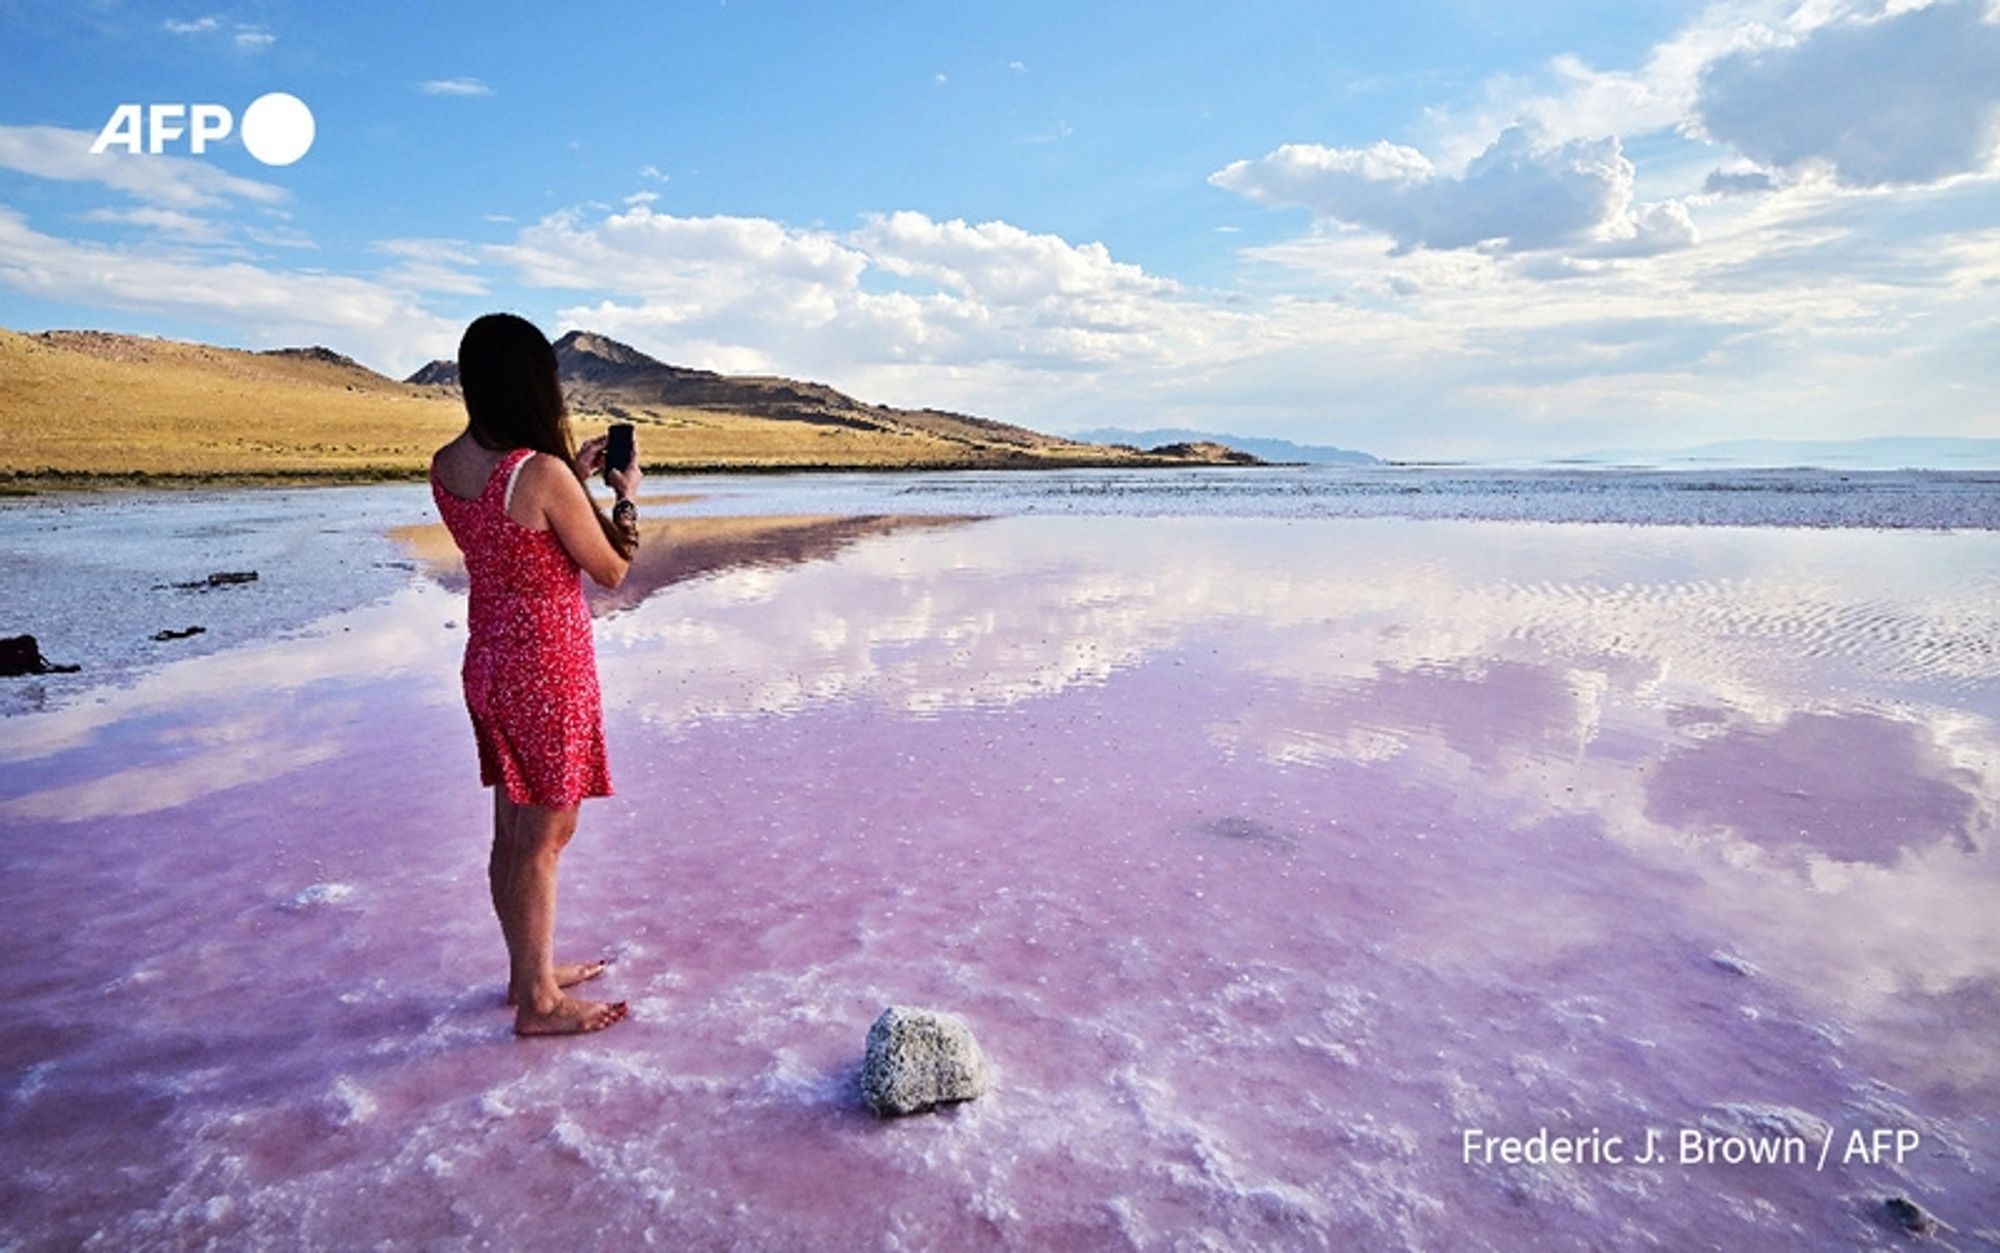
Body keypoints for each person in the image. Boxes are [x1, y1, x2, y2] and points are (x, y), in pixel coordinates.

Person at [430, 313, 642, 1036]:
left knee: (511, 828)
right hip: (546, 665)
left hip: (489, 656)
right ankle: (541, 1005)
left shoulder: (448, 463)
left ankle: (529, 974)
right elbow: (612, 568)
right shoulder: (542, 472)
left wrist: (569, 483)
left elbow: (511, 517)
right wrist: (623, 492)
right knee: (548, 833)